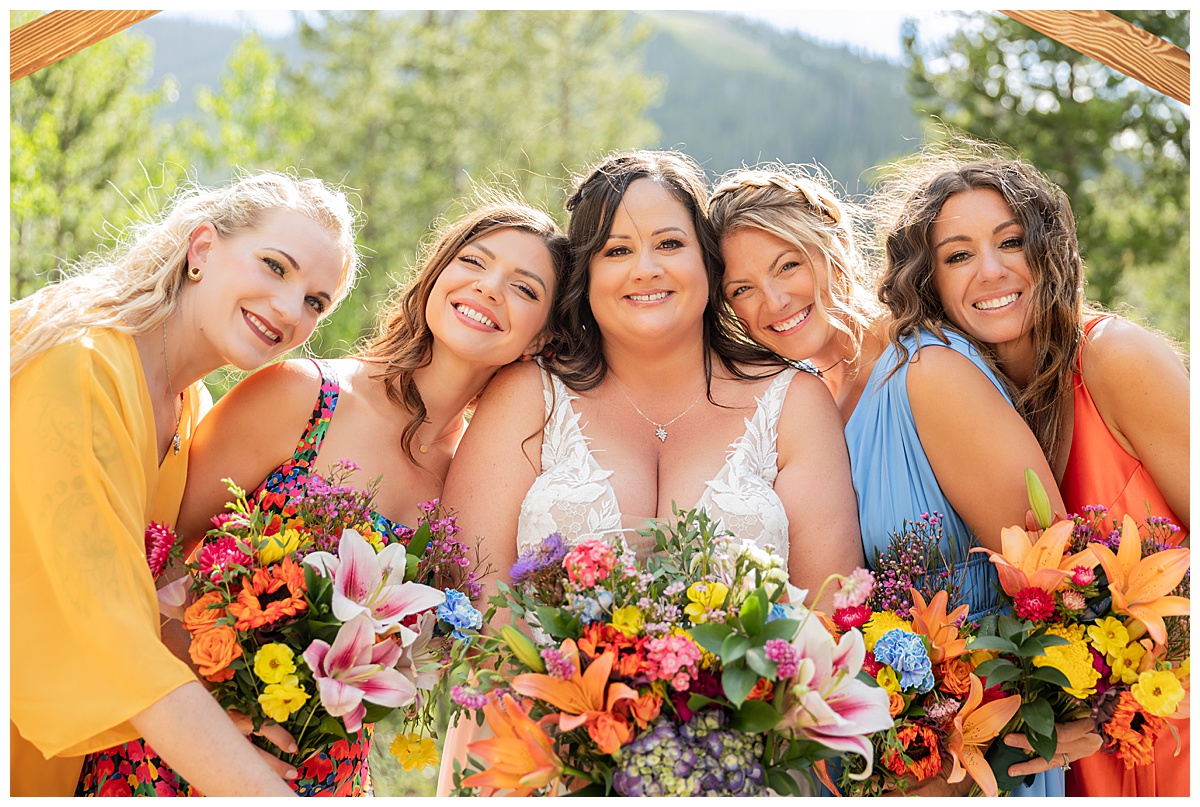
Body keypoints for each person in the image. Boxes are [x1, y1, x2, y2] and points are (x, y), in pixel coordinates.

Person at [75, 194, 569, 796]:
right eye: (474, 261)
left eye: (524, 288)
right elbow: (149, 563)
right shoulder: (303, 397)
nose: (489, 288)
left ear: (540, 340)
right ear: (437, 275)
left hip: (326, 772)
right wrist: (215, 707)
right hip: (175, 751)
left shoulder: (476, 482)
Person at [436, 150, 864, 795]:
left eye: (669, 242)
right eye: (615, 250)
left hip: (746, 766)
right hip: (538, 760)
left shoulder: (792, 400)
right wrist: (581, 745)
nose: (646, 269)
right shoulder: (527, 394)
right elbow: (473, 596)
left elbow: (828, 615)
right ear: (583, 273)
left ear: (706, 263)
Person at [708, 163, 1099, 796]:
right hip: (904, 759)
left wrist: (1060, 718)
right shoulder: (809, 405)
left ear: (833, 244)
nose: (771, 303)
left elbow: (1053, 573)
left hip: (991, 757)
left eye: (787, 265)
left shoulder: (928, 370)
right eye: (740, 290)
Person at [10, 170, 362, 796]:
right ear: (202, 250)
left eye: (315, 301)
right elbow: (108, 624)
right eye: (275, 267)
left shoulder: (190, 405)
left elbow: (152, 609)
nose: (289, 310)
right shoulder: (81, 361)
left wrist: (221, 720)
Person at [878, 152, 1188, 797]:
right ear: (929, 282)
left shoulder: (1114, 358)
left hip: (1166, 725)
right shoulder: (974, 402)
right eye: (958, 255)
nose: (990, 271)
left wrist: (1133, 697)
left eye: (1011, 242)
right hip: (1069, 749)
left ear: (1049, 249)